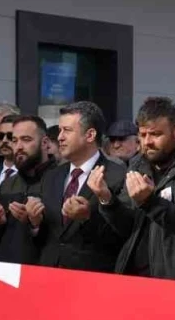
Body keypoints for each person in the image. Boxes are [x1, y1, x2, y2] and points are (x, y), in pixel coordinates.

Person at [107, 97, 175, 282]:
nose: (147, 142)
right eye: (142, 135)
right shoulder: (137, 163)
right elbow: (126, 225)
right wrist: (107, 201)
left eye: (155, 134)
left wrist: (149, 202)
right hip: (134, 275)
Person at [33, 101, 130, 272]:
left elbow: (124, 235)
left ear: (90, 135)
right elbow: (49, 236)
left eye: (67, 130)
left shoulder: (118, 176)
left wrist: (87, 218)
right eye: (60, 130)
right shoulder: (51, 176)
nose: (60, 137)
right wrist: (34, 222)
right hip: (49, 274)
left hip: (91, 278)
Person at [0, 114, 54, 264]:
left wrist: (35, 223)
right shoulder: (7, 183)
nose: (18, 147)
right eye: (15, 140)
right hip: (8, 269)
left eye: (26, 139)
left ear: (45, 143)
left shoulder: (60, 179)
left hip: (43, 271)